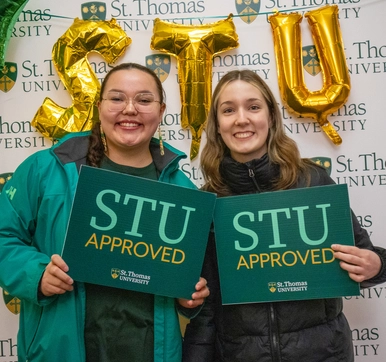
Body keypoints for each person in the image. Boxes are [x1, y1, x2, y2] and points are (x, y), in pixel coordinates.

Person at [0, 62, 209, 362]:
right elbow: (4, 235)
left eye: (144, 100)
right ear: (99, 107)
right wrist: (37, 274)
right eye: (117, 98)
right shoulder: (47, 169)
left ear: (161, 112)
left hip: (150, 350)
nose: (130, 109)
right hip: (60, 350)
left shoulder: (183, 191)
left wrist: (188, 295)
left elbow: (191, 277)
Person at [182, 69, 386, 362]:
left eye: (253, 107)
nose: (241, 119)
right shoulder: (208, 202)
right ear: (216, 125)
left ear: (271, 117)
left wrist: (375, 265)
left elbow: (367, 257)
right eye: (228, 110)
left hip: (324, 353)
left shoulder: (312, 181)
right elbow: (206, 309)